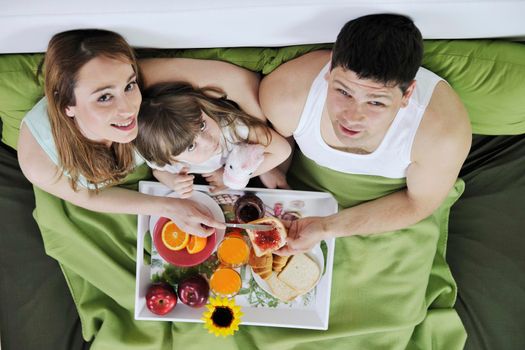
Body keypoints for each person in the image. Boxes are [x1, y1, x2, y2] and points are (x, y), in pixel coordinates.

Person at [17, 29, 269, 236]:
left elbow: (237, 80)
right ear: (67, 106)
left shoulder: (136, 79)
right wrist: (169, 207)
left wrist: (264, 152)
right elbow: (89, 197)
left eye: (129, 85)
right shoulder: (38, 159)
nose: (128, 109)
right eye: (104, 97)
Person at [259, 14, 472, 254]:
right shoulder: (286, 95)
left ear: (407, 94)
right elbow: (276, 145)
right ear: (330, 70)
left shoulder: (443, 134)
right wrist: (274, 176)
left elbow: (417, 204)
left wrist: (326, 227)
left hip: (394, 208)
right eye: (344, 92)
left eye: (376, 103)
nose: (352, 117)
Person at [134, 81, 291, 198]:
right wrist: (173, 182)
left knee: (274, 178)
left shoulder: (232, 129)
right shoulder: (166, 157)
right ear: (173, 160)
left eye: (202, 126)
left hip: (242, 157)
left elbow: (283, 150)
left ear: (200, 107)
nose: (209, 142)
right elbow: (158, 171)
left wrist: (229, 178)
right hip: (221, 171)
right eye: (191, 147)